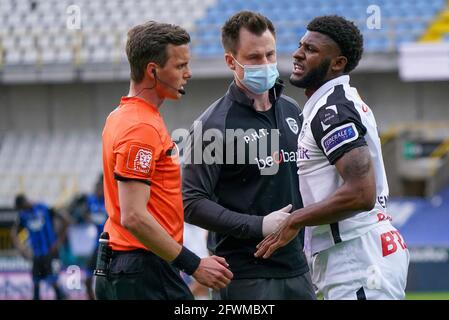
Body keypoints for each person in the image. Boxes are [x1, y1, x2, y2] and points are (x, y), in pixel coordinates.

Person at [255, 15, 409, 300]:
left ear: (338, 63)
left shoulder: (332, 111)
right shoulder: (327, 105)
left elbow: (361, 193)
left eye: (311, 49)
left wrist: (294, 221)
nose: (298, 53)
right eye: (301, 45)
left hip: (357, 258)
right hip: (354, 254)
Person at [95, 21, 233, 300]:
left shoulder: (121, 116)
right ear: (153, 71)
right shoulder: (140, 127)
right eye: (180, 66)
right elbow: (133, 215)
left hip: (127, 265)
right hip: (142, 270)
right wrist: (194, 265)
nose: (188, 73)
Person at [182, 11, 316, 300]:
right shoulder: (212, 125)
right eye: (255, 58)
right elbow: (191, 202)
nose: (266, 64)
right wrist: (259, 225)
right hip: (243, 276)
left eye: (270, 54)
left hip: (297, 269)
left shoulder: (292, 110)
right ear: (231, 61)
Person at [11, 194, 69, 300]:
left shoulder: (43, 207)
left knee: (54, 282)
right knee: (36, 286)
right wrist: (21, 249)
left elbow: (65, 220)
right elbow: (14, 232)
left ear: (24, 202)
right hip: (37, 255)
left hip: (51, 253)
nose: (22, 210)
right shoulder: (23, 215)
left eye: (22, 207)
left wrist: (59, 241)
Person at [84, 175, 107, 300]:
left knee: (103, 280)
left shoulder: (109, 200)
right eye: (96, 187)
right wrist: (89, 218)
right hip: (97, 245)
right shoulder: (91, 201)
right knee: (87, 280)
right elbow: (86, 213)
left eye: (100, 187)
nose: (97, 189)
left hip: (109, 245)